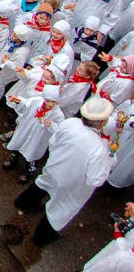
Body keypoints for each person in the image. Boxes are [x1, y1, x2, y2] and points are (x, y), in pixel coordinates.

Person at [14, 96, 116, 246]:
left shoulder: (70, 123)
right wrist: (111, 159)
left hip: (55, 167)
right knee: (61, 209)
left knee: (43, 183)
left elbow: (53, 142)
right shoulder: (100, 149)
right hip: (72, 185)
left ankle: (23, 202)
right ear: (102, 122)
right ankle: (41, 238)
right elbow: (95, 179)